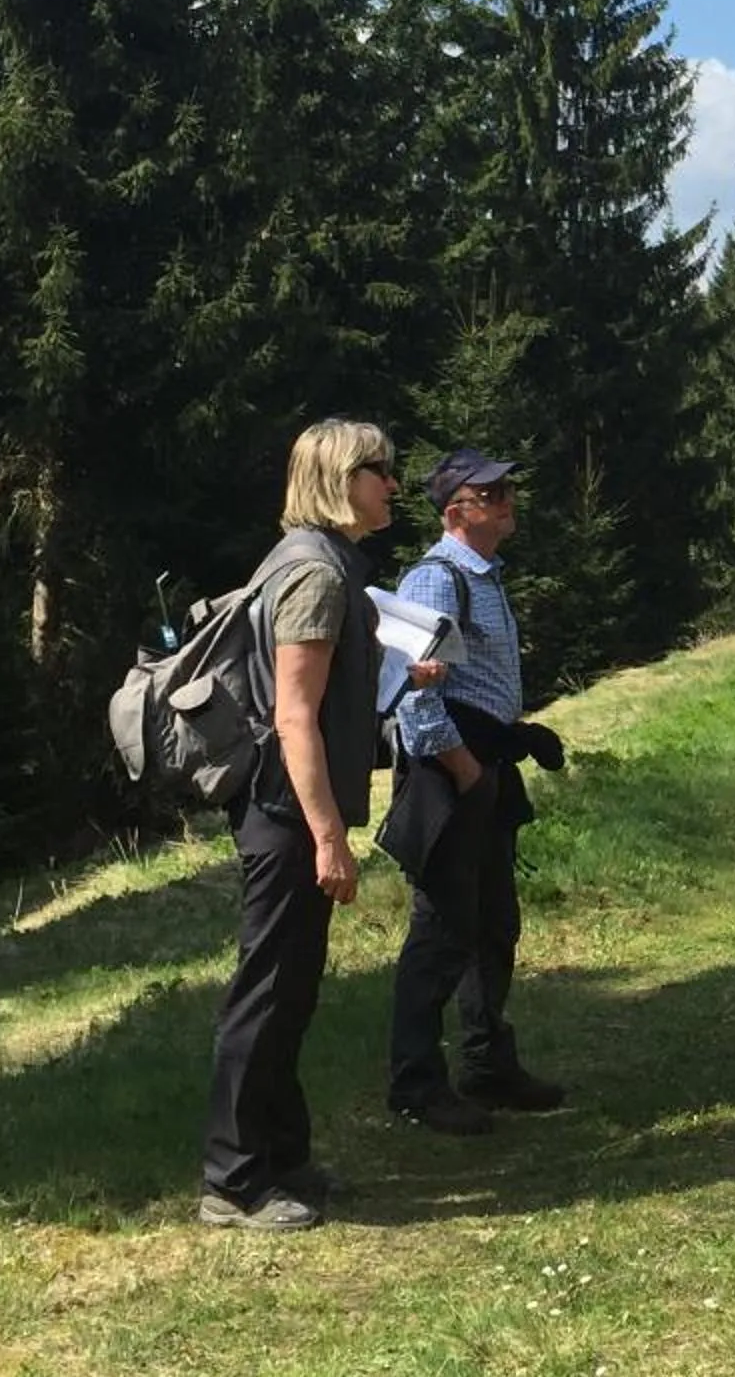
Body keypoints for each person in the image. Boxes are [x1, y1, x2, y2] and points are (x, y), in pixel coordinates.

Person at [201, 416, 415, 1232]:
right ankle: (233, 1181)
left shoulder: (317, 562)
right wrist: (328, 836)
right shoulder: (316, 575)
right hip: (284, 811)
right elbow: (294, 716)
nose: (392, 484)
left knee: (291, 990)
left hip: (291, 806)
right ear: (338, 480)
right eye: (378, 470)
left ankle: (283, 1159)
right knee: (266, 992)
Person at [379, 445, 568, 1134]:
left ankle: (487, 1064)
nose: (508, 500)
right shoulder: (435, 580)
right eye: (492, 494)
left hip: (483, 769)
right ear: (457, 511)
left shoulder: (484, 576)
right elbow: (414, 695)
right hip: (448, 775)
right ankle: (416, 1085)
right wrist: (464, 770)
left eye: (506, 489)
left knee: (492, 925)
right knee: (441, 931)